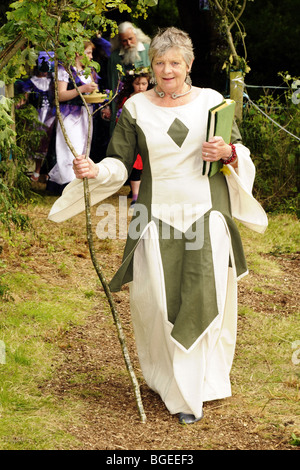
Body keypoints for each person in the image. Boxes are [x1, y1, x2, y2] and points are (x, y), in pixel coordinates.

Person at [48, 27, 268, 424]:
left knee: (204, 296)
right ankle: (170, 380)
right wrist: (95, 169)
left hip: (207, 212)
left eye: (175, 63)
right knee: (160, 302)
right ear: (152, 64)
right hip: (155, 216)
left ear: (189, 65)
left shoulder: (214, 103)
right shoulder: (135, 108)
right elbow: (119, 160)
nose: (167, 69)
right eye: (161, 62)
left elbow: (238, 151)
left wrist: (229, 152)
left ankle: (197, 388)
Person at [47, 41, 99, 194]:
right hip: (69, 113)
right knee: (70, 147)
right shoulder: (65, 70)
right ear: (78, 53)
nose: (91, 56)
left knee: (83, 147)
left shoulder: (88, 71)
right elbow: (60, 96)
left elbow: (92, 93)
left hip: (86, 113)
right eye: (88, 53)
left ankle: (58, 182)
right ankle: (68, 185)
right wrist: (81, 89)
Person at [116, 68, 152, 211]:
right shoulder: (128, 99)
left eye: (144, 84)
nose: (141, 87)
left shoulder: (151, 98)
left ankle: (145, 193)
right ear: (132, 84)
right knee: (135, 165)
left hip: (147, 134)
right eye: (138, 84)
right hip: (131, 135)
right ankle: (135, 196)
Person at [107, 22, 151, 133]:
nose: (128, 43)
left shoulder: (148, 50)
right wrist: (108, 106)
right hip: (123, 104)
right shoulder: (115, 57)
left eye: (131, 39)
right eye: (124, 40)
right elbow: (111, 84)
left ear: (136, 35)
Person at [18, 52, 56, 182]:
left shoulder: (53, 82)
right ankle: (36, 170)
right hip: (36, 115)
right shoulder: (31, 82)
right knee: (37, 143)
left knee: (49, 143)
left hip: (51, 115)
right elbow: (24, 99)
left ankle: (47, 171)